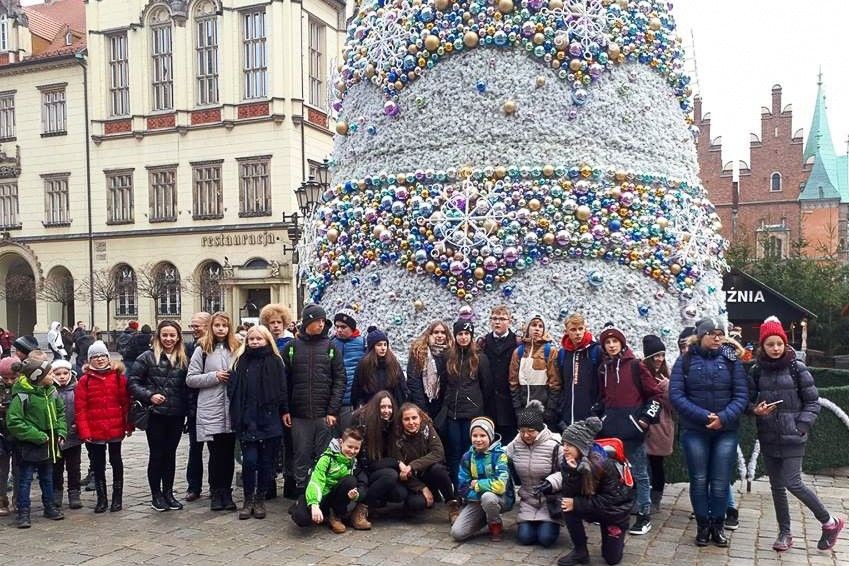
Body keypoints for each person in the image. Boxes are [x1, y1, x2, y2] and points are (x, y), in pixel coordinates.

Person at [749, 316, 844, 552]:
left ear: (784, 342)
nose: (775, 348)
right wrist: (754, 410)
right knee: (776, 486)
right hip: (769, 435)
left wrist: (800, 426)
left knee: (793, 482)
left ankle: (829, 522)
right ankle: (785, 533)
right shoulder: (756, 370)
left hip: (793, 436)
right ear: (763, 346)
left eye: (779, 343)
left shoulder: (796, 367)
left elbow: (812, 402)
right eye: (770, 344)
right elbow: (747, 402)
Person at [670, 317, 748, 547]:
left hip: (726, 430)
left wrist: (723, 418)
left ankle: (718, 525)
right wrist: (704, 417)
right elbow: (676, 395)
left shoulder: (731, 357)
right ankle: (703, 526)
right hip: (695, 429)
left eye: (720, 333)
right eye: (711, 333)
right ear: (700, 335)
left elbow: (741, 394)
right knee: (699, 479)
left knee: (721, 481)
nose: (717, 337)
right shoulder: (685, 359)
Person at [594, 322, 663, 536]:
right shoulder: (603, 368)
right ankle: (615, 511)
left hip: (633, 430)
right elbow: (603, 397)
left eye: (615, 341)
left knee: (640, 473)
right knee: (613, 474)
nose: (612, 345)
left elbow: (655, 395)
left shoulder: (636, 365)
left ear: (621, 343)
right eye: (608, 342)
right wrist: (599, 417)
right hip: (611, 431)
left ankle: (643, 514)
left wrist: (644, 419)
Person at [549, 417, 634, 566]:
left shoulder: (604, 465)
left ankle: (616, 537)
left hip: (613, 512)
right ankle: (580, 551)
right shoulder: (567, 462)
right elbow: (569, 493)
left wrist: (577, 503)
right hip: (591, 505)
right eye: (564, 444)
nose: (565, 448)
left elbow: (610, 500)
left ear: (581, 447)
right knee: (566, 505)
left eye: (570, 445)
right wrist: (573, 473)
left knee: (611, 558)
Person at [281, 305, 346, 497]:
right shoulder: (292, 348)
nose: (321, 324)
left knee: (323, 457)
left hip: (323, 415)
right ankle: (302, 492)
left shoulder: (330, 347)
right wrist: (285, 409)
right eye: (318, 321)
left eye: (323, 321)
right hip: (299, 415)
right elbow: (283, 381)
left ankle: (321, 494)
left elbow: (339, 380)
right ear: (308, 322)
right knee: (300, 455)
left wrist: (332, 411)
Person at [227, 325, 288, 519]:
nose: (254, 342)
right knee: (249, 462)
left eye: (258, 339)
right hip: (247, 419)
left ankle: (260, 499)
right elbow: (232, 389)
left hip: (269, 419)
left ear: (266, 340)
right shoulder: (240, 361)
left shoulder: (275, 361)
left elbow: (282, 389)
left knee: (265, 463)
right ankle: (247, 499)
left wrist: (284, 410)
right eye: (251, 339)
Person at [128, 320, 189, 512]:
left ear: (178, 337)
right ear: (158, 336)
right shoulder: (146, 357)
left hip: (176, 414)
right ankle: (156, 495)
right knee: (157, 455)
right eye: (165, 335)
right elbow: (133, 382)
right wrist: (150, 395)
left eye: (172, 335)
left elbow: (187, 386)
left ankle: (168, 493)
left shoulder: (183, 357)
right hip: (155, 414)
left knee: (170, 455)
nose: (169, 339)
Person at [187, 311, 240, 512]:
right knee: (215, 454)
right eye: (217, 325)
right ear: (212, 327)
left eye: (224, 326)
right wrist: (214, 376)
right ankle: (216, 492)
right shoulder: (202, 348)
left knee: (228, 454)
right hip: (211, 407)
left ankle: (227, 493)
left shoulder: (236, 348)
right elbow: (191, 379)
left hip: (231, 407)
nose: (220, 329)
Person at [6, 355, 67, 528]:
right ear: (37, 377)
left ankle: (49, 506)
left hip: (48, 443)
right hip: (30, 444)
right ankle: (23, 512)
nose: (52, 376)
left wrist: (61, 431)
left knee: (47, 477)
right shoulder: (23, 396)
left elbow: (61, 413)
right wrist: (37, 435)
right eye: (48, 374)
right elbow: (14, 421)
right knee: (25, 480)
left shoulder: (52, 392)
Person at [76, 340, 131, 513]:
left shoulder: (118, 377)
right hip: (95, 429)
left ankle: (117, 497)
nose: (99, 359)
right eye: (95, 356)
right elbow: (80, 408)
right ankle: (101, 498)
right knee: (98, 464)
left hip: (115, 426)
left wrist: (128, 424)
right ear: (89, 360)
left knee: (116, 461)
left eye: (102, 356)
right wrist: (84, 431)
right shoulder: (84, 380)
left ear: (108, 357)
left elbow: (126, 403)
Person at [505, 400, 562, 548]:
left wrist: (552, 482)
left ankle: (547, 525)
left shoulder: (554, 445)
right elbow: (502, 455)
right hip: (528, 500)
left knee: (545, 539)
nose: (526, 435)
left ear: (539, 429)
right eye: (522, 431)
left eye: (531, 431)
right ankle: (532, 525)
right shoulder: (517, 443)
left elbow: (568, 471)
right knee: (525, 538)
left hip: (549, 501)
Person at [441, 321, 493, 483]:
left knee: (470, 451)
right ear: (455, 336)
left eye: (466, 334)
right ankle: (458, 488)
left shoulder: (480, 358)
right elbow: (444, 383)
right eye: (460, 334)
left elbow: (487, 386)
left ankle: (472, 486)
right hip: (453, 413)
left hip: (472, 414)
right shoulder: (448, 357)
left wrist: (478, 405)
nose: (463, 337)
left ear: (471, 336)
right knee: (455, 452)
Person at [390, 402, 459, 522]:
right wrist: (422, 488)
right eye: (406, 419)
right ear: (401, 421)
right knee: (416, 505)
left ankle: (452, 506)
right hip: (412, 480)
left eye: (414, 418)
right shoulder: (396, 438)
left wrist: (412, 466)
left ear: (420, 417)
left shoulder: (428, 428)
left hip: (429, 472)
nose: (411, 422)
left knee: (438, 469)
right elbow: (401, 470)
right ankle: (429, 495)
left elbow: (438, 453)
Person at [450, 416, 514, 542]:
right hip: (476, 501)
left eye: (483, 436)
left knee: (488, 498)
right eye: (475, 436)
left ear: (490, 436)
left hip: (501, 499)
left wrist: (477, 484)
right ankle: (486, 515)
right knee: (457, 533)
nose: (478, 440)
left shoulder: (500, 456)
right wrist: (478, 494)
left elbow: (501, 485)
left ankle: (495, 525)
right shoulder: (467, 457)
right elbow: (462, 487)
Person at [289, 427, 363, 533]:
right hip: (319, 495)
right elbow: (316, 480)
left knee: (350, 481)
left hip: (334, 497)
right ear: (341, 442)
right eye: (349, 446)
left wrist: (356, 495)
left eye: (356, 448)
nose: (352, 451)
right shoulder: (326, 458)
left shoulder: (353, 463)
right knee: (302, 519)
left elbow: (360, 483)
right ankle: (301, 503)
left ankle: (335, 515)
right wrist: (314, 504)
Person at [350, 391, 401, 529]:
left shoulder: (390, 424)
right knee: (390, 475)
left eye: (389, 407)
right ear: (375, 407)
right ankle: (360, 509)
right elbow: (366, 463)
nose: (387, 411)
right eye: (383, 407)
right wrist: (396, 463)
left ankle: (373, 504)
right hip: (358, 470)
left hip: (375, 467)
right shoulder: (363, 423)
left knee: (399, 492)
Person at [259, 303, 295, 499]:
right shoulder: (262, 342)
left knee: (289, 444)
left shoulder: (291, 343)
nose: (275, 326)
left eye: (278, 322)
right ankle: (269, 482)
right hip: (269, 401)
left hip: (288, 400)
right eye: (272, 322)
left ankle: (290, 481)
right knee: (270, 443)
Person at [640, 335, 675, 514]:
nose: (660, 359)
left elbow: (674, 405)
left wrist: (667, 387)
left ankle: (656, 499)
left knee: (656, 464)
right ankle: (641, 498)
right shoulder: (641, 371)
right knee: (640, 464)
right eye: (656, 356)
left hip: (661, 426)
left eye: (662, 355)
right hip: (643, 425)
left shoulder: (667, 375)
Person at [509, 314, 561, 430]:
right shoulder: (519, 352)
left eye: (540, 326)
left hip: (544, 409)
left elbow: (555, 383)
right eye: (533, 325)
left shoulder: (549, 351)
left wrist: (551, 409)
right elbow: (513, 382)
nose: (537, 328)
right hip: (523, 407)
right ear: (527, 328)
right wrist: (517, 407)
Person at [477, 305, 519, 444]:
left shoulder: (517, 342)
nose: (497, 322)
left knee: (509, 445)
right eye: (494, 318)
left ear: (509, 321)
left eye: (502, 319)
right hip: (489, 402)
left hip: (510, 402)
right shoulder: (483, 342)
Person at [557, 313, 602, 430]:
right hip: (567, 416)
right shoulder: (563, 353)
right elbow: (560, 383)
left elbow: (603, 384)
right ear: (566, 331)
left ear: (585, 329)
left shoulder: (596, 350)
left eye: (580, 329)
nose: (577, 333)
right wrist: (561, 408)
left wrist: (596, 409)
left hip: (590, 415)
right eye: (573, 329)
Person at [184, 312, 211, 502]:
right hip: (194, 406)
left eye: (197, 326)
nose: (194, 329)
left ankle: (216, 486)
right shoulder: (189, 347)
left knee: (216, 451)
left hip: (212, 405)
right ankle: (194, 486)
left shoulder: (215, 346)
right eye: (192, 326)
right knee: (195, 449)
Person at [50, 359, 82, 510]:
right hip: (56, 436)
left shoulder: (76, 389)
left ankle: (74, 492)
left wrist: (78, 424)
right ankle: (57, 492)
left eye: (65, 373)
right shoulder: (50, 390)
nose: (62, 376)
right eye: (58, 374)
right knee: (56, 466)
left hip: (74, 435)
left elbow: (81, 408)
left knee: (74, 467)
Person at [330, 305, 366, 432]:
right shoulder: (331, 343)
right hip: (332, 403)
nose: (339, 330)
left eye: (343, 327)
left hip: (352, 402)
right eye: (337, 326)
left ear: (352, 327)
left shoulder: (363, 343)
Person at [351, 327, 408, 408]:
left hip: (392, 408)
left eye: (385, 344)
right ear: (372, 347)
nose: (383, 348)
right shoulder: (364, 365)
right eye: (379, 345)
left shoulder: (393, 363)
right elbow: (357, 391)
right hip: (371, 408)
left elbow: (402, 387)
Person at [407, 320, 454, 418]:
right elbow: (413, 381)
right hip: (423, 403)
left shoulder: (451, 353)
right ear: (429, 334)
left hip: (443, 406)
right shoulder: (419, 353)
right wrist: (422, 409)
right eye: (436, 332)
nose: (440, 335)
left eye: (443, 332)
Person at [0, 356, 20, 516]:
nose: (9, 382)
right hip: (1, 434)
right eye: (5, 378)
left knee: (19, 469)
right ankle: (2, 499)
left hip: (19, 434)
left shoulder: (23, 387)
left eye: (12, 378)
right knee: (1, 470)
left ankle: (19, 499)